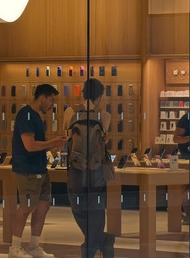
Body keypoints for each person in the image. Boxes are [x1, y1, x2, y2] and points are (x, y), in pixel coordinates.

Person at [9, 84, 68, 258]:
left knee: (43, 206)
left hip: (41, 169)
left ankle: (33, 246)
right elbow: (30, 145)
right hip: (28, 171)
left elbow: (39, 146)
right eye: (51, 100)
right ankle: (14, 248)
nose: (52, 104)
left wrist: (54, 145)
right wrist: (53, 143)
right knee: (26, 207)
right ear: (42, 97)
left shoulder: (36, 117)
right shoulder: (26, 115)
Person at [65, 78, 115, 258]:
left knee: (78, 208)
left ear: (82, 93)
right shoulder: (105, 116)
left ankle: (94, 245)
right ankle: (100, 242)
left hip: (76, 169)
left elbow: (66, 135)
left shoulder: (70, 112)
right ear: (100, 96)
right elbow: (104, 138)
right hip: (97, 170)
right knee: (97, 210)